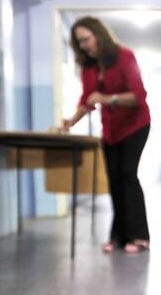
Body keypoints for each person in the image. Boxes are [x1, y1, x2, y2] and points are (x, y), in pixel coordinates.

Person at [62, 16, 151, 254]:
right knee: (113, 179)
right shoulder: (89, 68)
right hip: (111, 131)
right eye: (79, 43)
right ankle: (119, 236)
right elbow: (87, 99)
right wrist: (71, 121)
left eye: (85, 40)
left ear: (98, 34)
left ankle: (140, 236)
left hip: (135, 124)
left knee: (127, 175)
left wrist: (107, 99)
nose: (83, 46)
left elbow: (138, 96)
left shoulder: (125, 57)